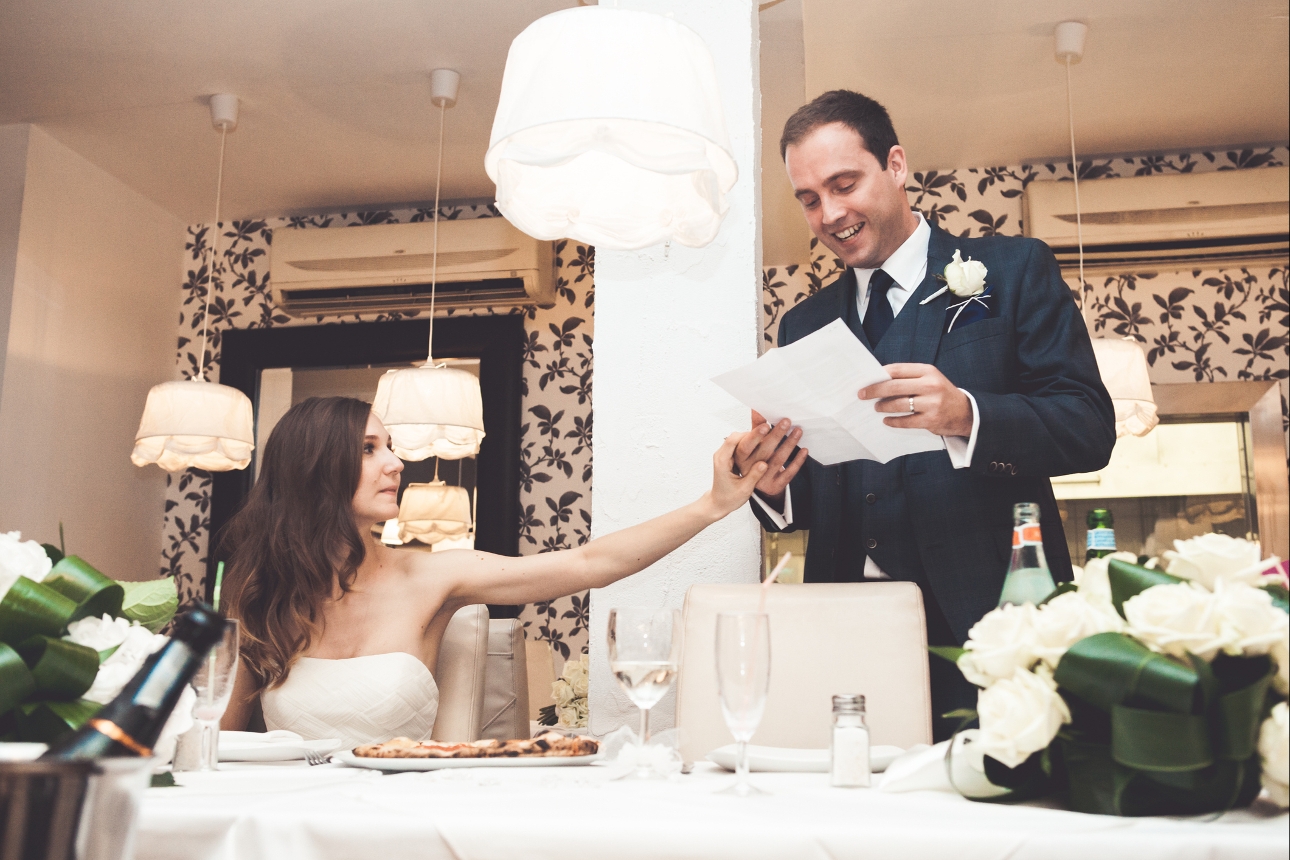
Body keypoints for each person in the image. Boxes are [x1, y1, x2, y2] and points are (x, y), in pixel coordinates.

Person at [735, 90, 1115, 739]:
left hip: (996, 618)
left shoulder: (1014, 270)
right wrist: (774, 487)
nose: (829, 213)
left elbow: (1087, 426)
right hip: (848, 630)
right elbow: (814, 483)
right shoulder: (803, 322)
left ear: (897, 165)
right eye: (808, 198)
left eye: (844, 184)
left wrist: (967, 414)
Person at [221, 396, 766, 745]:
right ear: (312, 469)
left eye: (390, 446)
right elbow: (214, 741)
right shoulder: (261, 597)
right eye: (369, 450)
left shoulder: (434, 578)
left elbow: (589, 563)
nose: (395, 463)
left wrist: (711, 505)